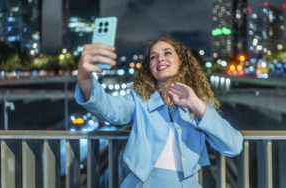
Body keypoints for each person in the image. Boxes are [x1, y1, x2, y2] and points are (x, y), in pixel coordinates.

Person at [75, 36, 243, 187]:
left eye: (167, 53)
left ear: (182, 61)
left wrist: (195, 104)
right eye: (153, 57)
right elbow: (109, 109)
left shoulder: (199, 104)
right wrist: (84, 78)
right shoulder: (139, 100)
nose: (160, 59)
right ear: (150, 67)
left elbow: (233, 146)